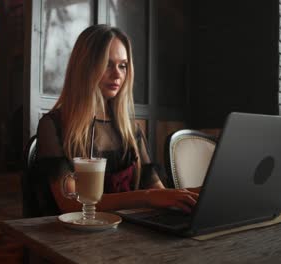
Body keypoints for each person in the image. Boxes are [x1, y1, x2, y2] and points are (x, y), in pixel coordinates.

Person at [33, 24, 198, 216]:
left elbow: (159, 192)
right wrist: (146, 196)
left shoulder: (130, 129)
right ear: (85, 67)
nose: (118, 74)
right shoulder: (52, 125)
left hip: (129, 234)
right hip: (74, 236)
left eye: (123, 65)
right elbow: (70, 203)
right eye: (107, 64)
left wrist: (200, 192)